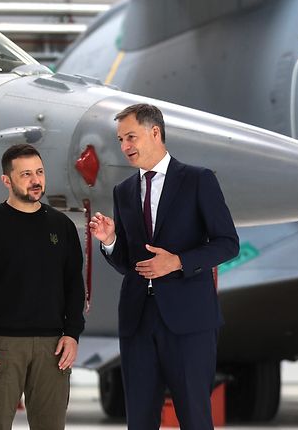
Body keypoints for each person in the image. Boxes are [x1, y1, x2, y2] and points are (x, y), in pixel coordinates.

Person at [89, 104, 239, 430]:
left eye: (131, 137)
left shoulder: (199, 180)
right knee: (139, 421)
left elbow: (228, 242)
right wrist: (110, 240)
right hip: (138, 320)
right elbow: (130, 263)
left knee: (195, 418)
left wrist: (178, 261)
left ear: (154, 132)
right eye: (120, 140)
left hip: (189, 321)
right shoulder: (123, 191)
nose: (125, 146)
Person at [0, 144, 86, 430]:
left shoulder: (62, 226)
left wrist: (73, 333)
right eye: (26, 174)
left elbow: (73, 285)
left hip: (53, 346)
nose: (36, 180)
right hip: (1, 345)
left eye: (39, 172)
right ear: (7, 180)